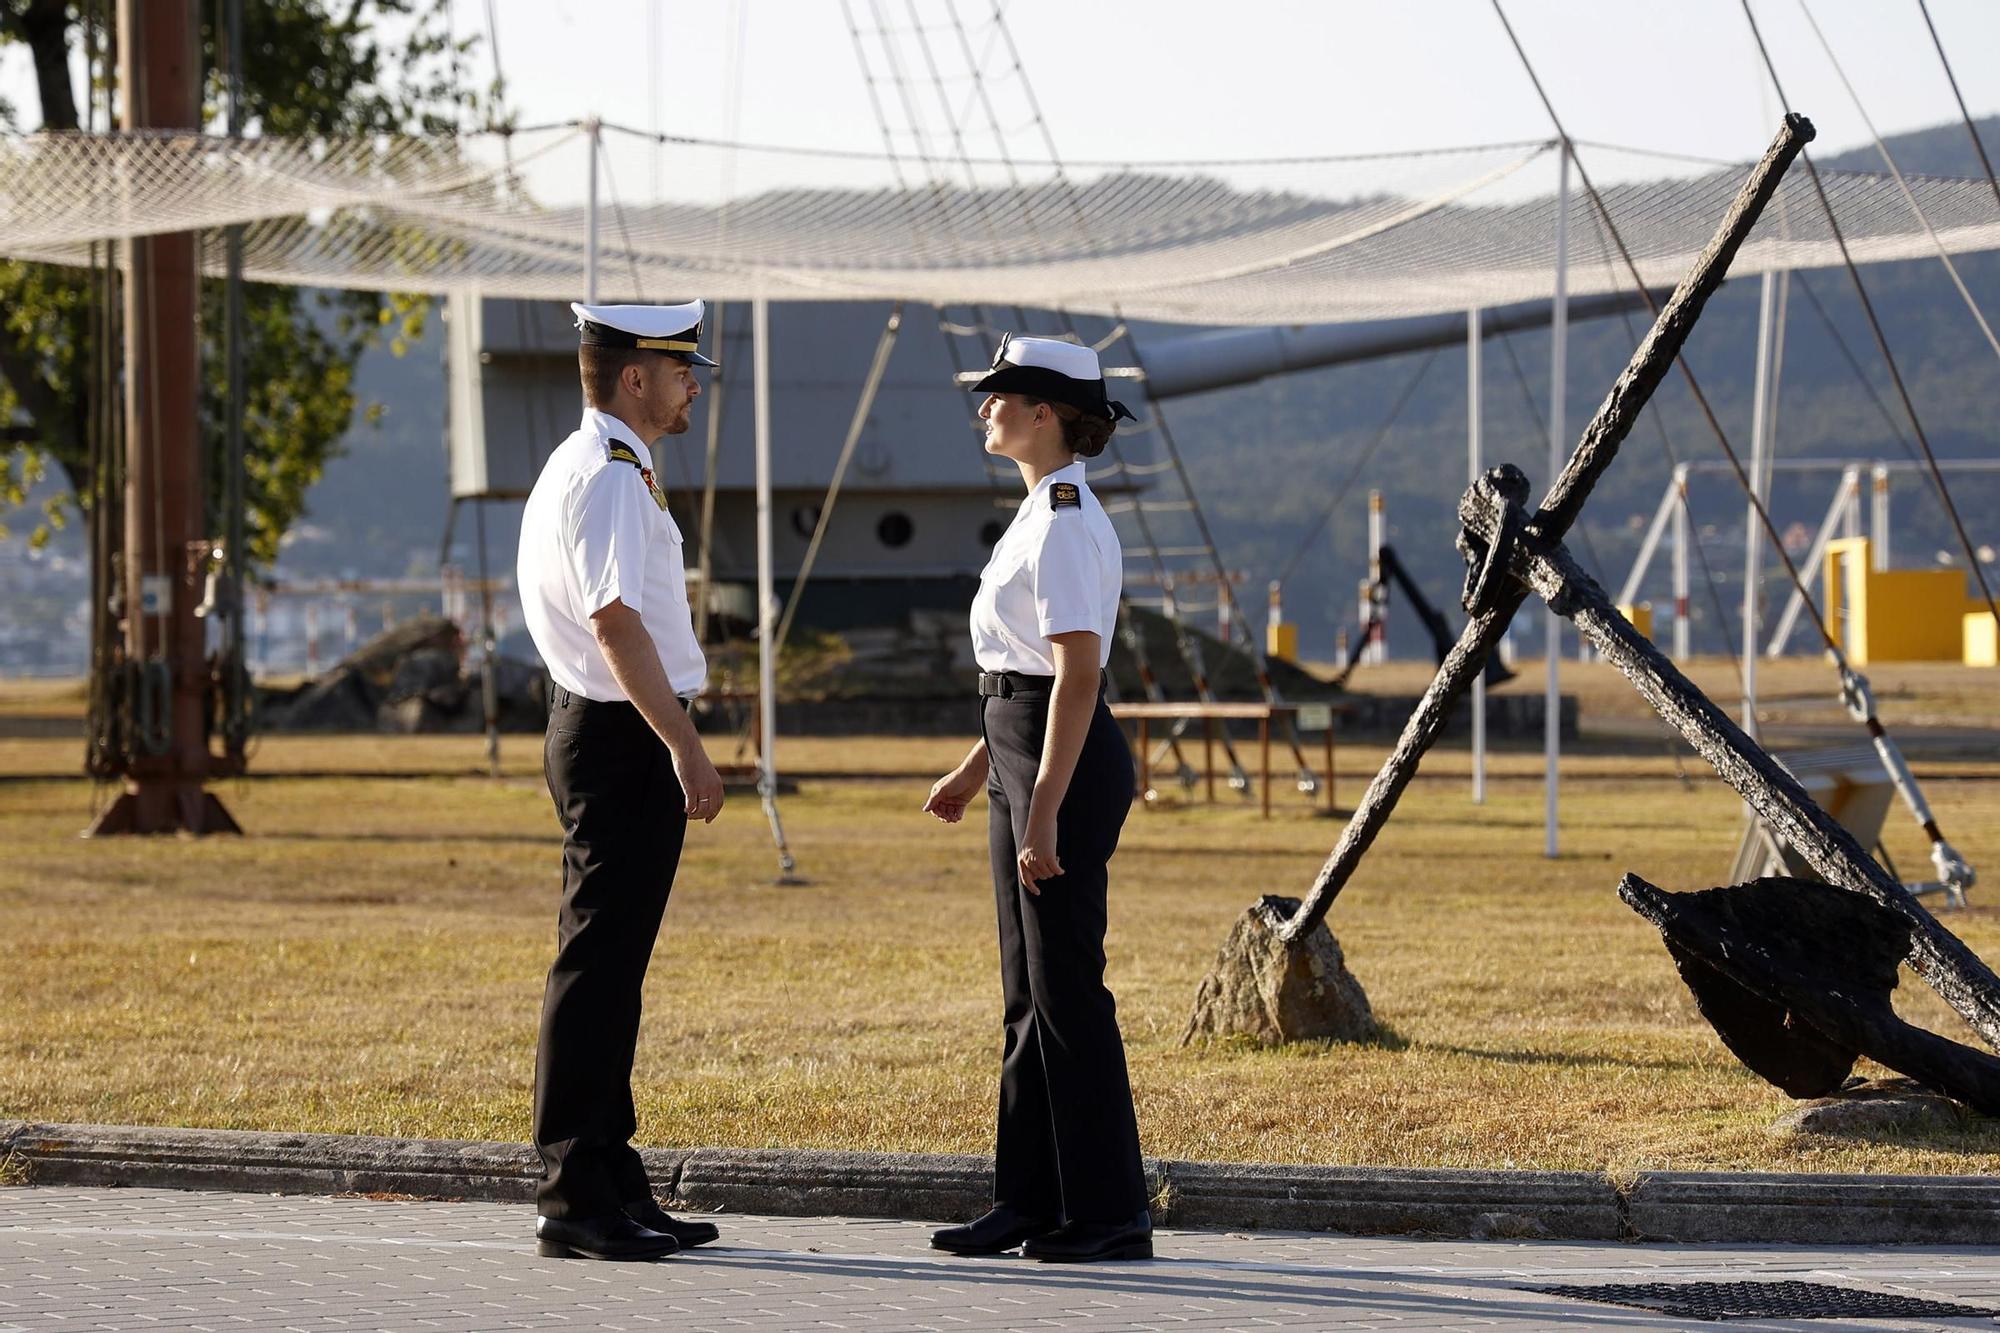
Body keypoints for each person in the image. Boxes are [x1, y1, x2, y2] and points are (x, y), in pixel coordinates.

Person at [922, 334, 1153, 1264]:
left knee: (1067, 992)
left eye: (1000, 396)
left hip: (1063, 765)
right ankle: (1027, 1198)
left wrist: (1044, 803)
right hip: (1024, 753)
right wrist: (982, 769)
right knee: (1028, 993)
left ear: (1047, 412)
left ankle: (1109, 1212)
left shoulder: (1063, 519)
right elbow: (1020, 675)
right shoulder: (1036, 514)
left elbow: (1076, 675)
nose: (985, 408)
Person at [516, 300, 728, 1261]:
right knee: (596, 967)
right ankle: (574, 1192)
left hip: (614, 729)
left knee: (614, 970)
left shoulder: (605, 465)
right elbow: (616, 626)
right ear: (636, 376)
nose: (693, 384)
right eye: (683, 368)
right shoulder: (605, 477)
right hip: (621, 734)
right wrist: (683, 742)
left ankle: (609, 1171)